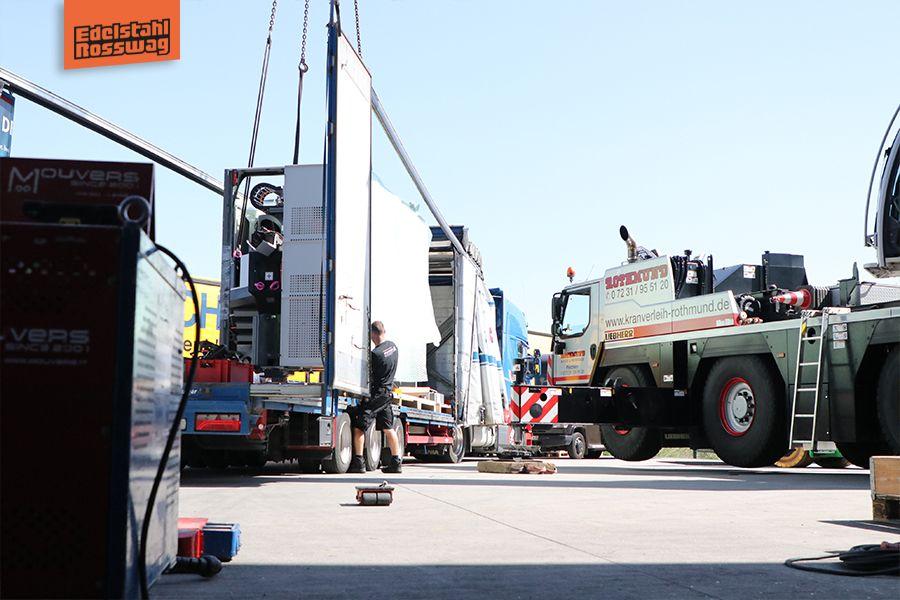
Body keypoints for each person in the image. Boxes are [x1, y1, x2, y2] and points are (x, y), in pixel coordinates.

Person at [348, 321, 403, 474]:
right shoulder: (393, 347)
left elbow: (367, 375)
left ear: (373, 334)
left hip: (377, 394)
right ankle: (396, 462)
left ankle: (359, 462)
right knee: (388, 428)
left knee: (359, 427)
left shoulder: (375, 354)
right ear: (383, 331)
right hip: (387, 393)